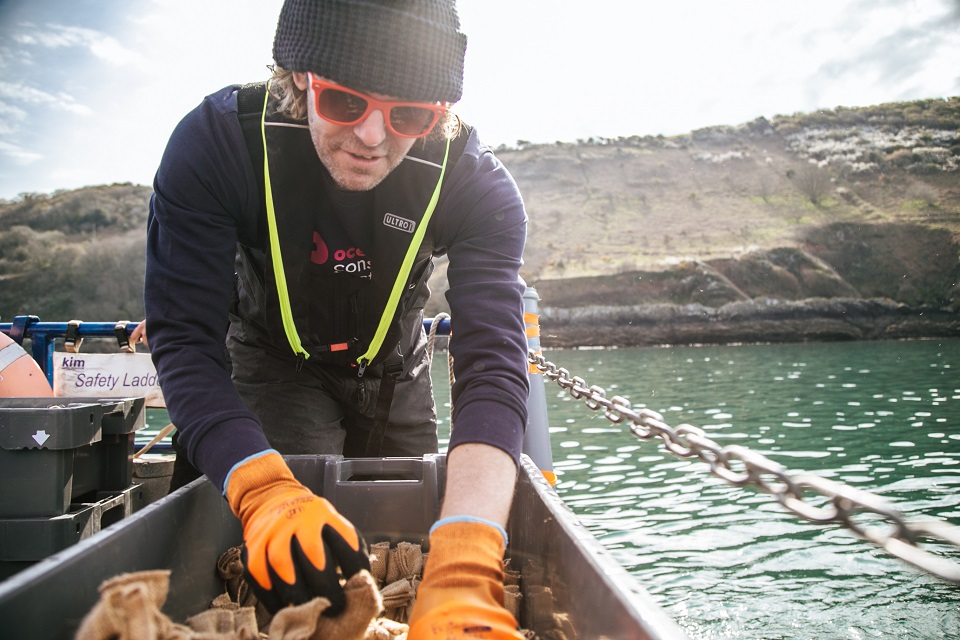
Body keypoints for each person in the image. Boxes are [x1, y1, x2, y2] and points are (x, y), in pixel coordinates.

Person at [144, 0, 529, 637]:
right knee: (296, 574)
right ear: (299, 75)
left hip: (396, 368)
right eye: (345, 102)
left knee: (408, 535)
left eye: (408, 114)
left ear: (441, 113)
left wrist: (468, 553)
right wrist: (264, 492)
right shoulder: (216, 143)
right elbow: (185, 340)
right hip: (273, 361)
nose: (372, 138)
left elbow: (493, 366)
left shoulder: (476, 184)